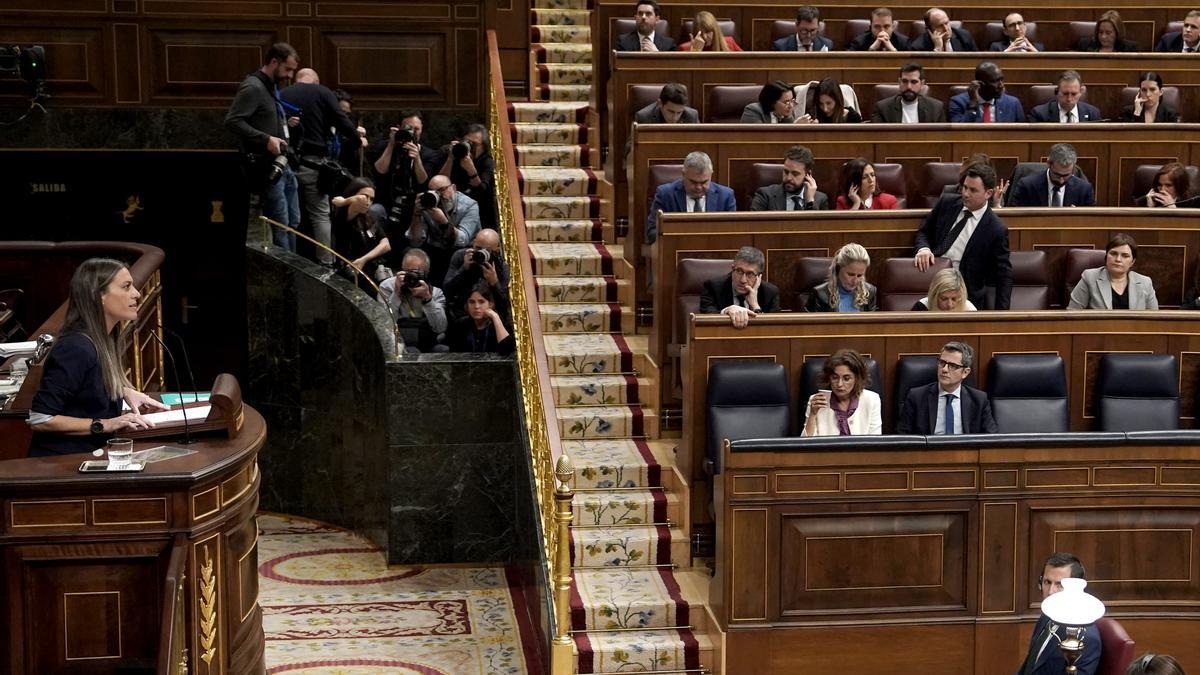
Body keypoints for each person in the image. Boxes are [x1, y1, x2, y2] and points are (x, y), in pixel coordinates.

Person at [26, 258, 170, 456]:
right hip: (63, 466)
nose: (136, 294)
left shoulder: (103, 337)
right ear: (98, 294)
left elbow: (85, 384)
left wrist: (122, 391)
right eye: (126, 287)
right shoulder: (75, 348)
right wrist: (105, 424)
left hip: (92, 456)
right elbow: (40, 418)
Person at [279, 68, 361, 266]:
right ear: (315, 81)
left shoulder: (281, 94)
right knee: (320, 215)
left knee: (286, 216)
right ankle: (326, 263)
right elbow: (341, 120)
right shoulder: (323, 92)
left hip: (284, 163)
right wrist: (356, 138)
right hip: (313, 164)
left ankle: (284, 260)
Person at [224, 42, 301, 252]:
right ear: (274, 62)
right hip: (266, 166)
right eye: (288, 69)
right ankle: (286, 274)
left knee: (293, 222)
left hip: (282, 164)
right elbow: (232, 121)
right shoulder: (253, 87)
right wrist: (266, 139)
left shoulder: (269, 87)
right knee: (281, 224)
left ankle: (296, 270)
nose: (290, 76)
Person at [914, 162, 1013, 309]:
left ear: (989, 193)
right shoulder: (947, 203)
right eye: (965, 187)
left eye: (973, 190)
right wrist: (924, 249)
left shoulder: (996, 229)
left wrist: (1001, 317)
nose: (965, 193)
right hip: (929, 280)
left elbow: (1003, 276)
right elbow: (924, 232)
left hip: (964, 295)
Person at [1018, 552, 1101, 675]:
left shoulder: (1087, 638)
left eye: (1059, 585)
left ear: (1076, 588)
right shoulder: (1047, 616)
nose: (1051, 592)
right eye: (1047, 582)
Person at [896, 341, 998, 435]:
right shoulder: (917, 397)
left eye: (952, 366)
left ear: (965, 372)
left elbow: (990, 438)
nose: (944, 369)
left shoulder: (979, 400)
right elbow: (902, 437)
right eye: (942, 363)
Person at [404, 175, 481, 285]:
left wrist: (444, 222)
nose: (440, 196)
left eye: (442, 190)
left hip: (462, 250)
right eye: (435, 192)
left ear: (453, 188)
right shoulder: (427, 204)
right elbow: (415, 241)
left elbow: (462, 240)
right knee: (410, 251)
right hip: (436, 248)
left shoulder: (470, 206)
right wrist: (416, 214)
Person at [646, 151, 736, 243]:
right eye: (693, 182)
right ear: (683, 175)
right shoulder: (666, 194)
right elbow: (652, 233)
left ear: (711, 175)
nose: (698, 187)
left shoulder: (725, 196)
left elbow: (734, 233)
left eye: (704, 182)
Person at [378, 248, 448, 353]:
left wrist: (428, 299)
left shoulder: (435, 292)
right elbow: (384, 324)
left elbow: (440, 328)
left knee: (442, 350)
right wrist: (397, 294)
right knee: (412, 351)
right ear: (401, 270)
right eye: (407, 272)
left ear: (426, 273)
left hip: (425, 341)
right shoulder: (387, 286)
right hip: (398, 342)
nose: (411, 276)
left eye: (416, 272)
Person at [370, 110, 442, 212]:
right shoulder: (384, 146)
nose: (413, 132)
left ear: (422, 129)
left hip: (415, 204)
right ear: (399, 128)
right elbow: (379, 172)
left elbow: (424, 182)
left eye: (416, 129)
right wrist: (391, 144)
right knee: (374, 211)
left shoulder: (429, 154)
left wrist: (417, 158)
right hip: (385, 202)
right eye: (408, 128)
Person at [801, 349, 883, 437]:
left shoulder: (872, 400)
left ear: (857, 379)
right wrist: (813, 414)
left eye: (846, 378)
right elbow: (806, 444)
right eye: (835, 378)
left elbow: (875, 442)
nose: (839, 384)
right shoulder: (816, 401)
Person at [1068, 233, 1158, 310]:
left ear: (1132, 262)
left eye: (1125, 256)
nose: (1118, 259)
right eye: (1113, 253)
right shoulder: (1089, 278)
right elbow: (1073, 314)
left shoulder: (1145, 283)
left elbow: (1154, 321)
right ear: (1106, 256)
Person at [699, 246, 781, 329]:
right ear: (732, 269)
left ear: (759, 277)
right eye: (739, 271)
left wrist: (755, 306)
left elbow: (774, 329)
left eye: (750, 274)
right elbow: (706, 318)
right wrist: (726, 311)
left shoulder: (770, 293)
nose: (743, 280)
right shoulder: (713, 287)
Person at [332, 177, 390, 287]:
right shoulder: (346, 215)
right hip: (351, 274)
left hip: (369, 266)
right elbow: (357, 201)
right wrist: (344, 201)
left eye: (371, 199)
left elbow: (386, 245)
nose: (367, 202)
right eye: (365, 196)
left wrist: (364, 259)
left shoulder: (368, 217)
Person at [438, 123, 496, 231]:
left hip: (476, 210)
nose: (469, 146)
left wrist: (471, 170)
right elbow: (438, 182)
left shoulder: (487, 161)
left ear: (483, 147)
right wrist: (450, 158)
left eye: (474, 144)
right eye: (467, 141)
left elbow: (483, 192)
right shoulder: (449, 152)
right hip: (447, 205)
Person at [443, 228, 509, 322]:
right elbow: (446, 291)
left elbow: (503, 306)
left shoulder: (501, 267)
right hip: (461, 313)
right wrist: (464, 269)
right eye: (478, 248)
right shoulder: (461, 256)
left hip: (489, 317)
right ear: (474, 242)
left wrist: (495, 283)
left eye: (486, 250)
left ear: (497, 250)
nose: (481, 253)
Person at [1009, 143, 1096, 208]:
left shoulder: (1084, 189)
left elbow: (1093, 223)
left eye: (1066, 176)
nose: (1061, 180)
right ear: (1049, 164)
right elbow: (1016, 219)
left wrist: (1078, 218)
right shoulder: (1027, 186)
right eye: (1057, 175)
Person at [750, 145, 829, 211]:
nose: (789, 178)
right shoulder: (765, 196)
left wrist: (810, 202)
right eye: (786, 172)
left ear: (807, 174)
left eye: (795, 174)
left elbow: (817, 228)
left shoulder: (820, 199)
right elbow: (753, 226)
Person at [445, 282, 515, 355]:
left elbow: (507, 352)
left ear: (490, 304)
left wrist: (495, 317)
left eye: (481, 302)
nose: (476, 306)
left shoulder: (500, 324)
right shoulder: (460, 325)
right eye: (472, 302)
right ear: (467, 305)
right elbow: (454, 355)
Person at [805, 243, 878, 312]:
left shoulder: (870, 292)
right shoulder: (820, 294)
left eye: (859, 275)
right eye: (850, 274)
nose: (855, 281)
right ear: (838, 269)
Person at [949, 62, 1026, 122]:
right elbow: (959, 133)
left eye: (1001, 80)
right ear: (980, 84)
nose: (1001, 85)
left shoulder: (1013, 103)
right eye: (994, 81)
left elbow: (1023, 135)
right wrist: (973, 103)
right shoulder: (958, 102)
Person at [871, 63, 946, 123]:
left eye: (914, 82)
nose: (909, 87)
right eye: (905, 81)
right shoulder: (882, 108)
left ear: (922, 84)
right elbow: (877, 138)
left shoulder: (936, 108)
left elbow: (942, 138)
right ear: (899, 82)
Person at [1028, 71, 1103, 123]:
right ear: (1057, 92)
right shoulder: (1039, 114)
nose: (1069, 99)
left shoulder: (1093, 114)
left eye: (1073, 94)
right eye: (1065, 94)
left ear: (1080, 93)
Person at [910, 8, 978, 51]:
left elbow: (976, 62)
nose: (946, 29)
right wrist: (937, 49)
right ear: (929, 30)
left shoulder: (965, 37)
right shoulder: (918, 47)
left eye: (947, 23)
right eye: (940, 26)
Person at [912, 267, 978, 311]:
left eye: (954, 299)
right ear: (934, 295)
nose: (949, 305)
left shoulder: (970, 310)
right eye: (944, 299)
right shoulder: (921, 307)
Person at [634, 83, 699, 124]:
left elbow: (701, 142)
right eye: (671, 111)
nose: (675, 118)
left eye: (679, 113)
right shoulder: (644, 117)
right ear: (660, 103)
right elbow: (631, 146)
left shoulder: (692, 116)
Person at [679, 11, 743, 51]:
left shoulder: (729, 43)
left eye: (707, 32)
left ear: (715, 31)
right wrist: (695, 52)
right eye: (701, 33)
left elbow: (746, 62)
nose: (705, 37)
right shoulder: (684, 49)